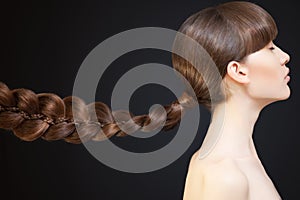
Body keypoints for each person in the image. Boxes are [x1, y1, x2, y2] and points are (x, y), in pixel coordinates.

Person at [0, 1, 290, 199]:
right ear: (237, 70)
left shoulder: (239, 161)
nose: (284, 56)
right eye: (270, 47)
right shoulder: (224, 176)